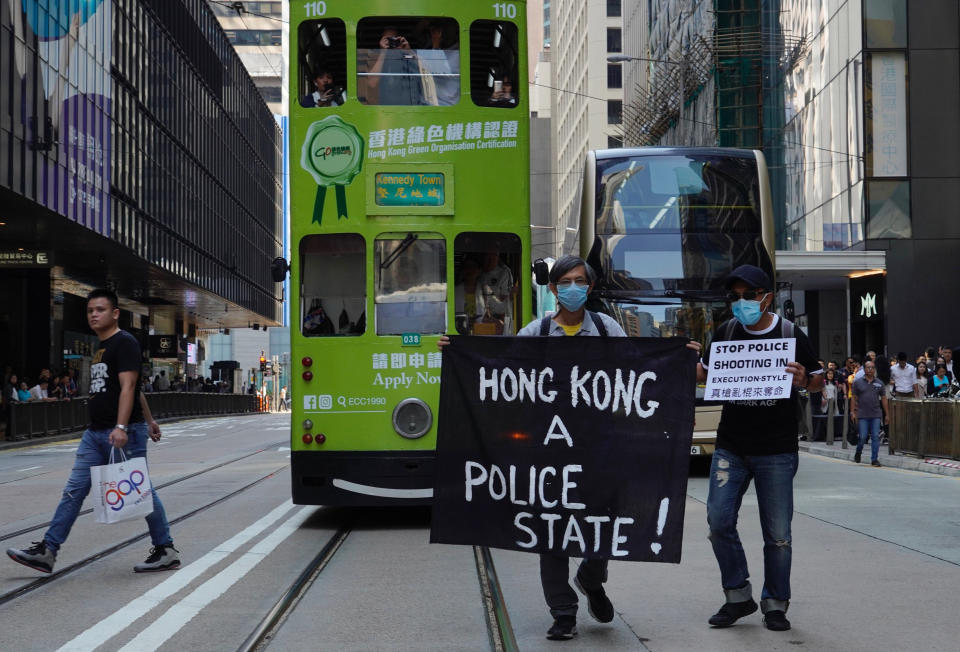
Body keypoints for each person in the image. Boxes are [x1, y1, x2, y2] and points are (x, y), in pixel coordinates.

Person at [439, 254, 700, 640]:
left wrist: (680, 359)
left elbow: (639, 370)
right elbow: (500, 369)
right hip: (549, 452)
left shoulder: (608, 329)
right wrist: (460, 353)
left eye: (580, 281)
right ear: (553, 289)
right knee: (551, 530)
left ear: (590, 287)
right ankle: (562, 611)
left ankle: (591, 580)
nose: (573, 288)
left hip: (601, 449)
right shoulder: (537, 332)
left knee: (602, 525)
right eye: (565, 282)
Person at [6, 288, 180, 574]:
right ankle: (48, 551)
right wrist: (150, 420)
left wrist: (124, 426)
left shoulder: (124, 343)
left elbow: (128, 387)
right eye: (90, 311)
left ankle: (166, 548)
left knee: (139, 490)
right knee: (74, 490)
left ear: (115, 313)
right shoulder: (101, 348)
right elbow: (134, 391)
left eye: (100, 310)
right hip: (96, 433)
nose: (94, 315)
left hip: (120, 433)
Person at [695, 264, 823, 633]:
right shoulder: (725, 332)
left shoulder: (789, 333)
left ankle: (775, 604)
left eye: (748, 295)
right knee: (718, 522)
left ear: (767, 297)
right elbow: (704, 373)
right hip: (731, 448)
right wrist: (684, 359)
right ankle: (738, 595)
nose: (741, 303)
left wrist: (803, 380)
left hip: (777, 451)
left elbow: (815, 379)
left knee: (778, 534)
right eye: (734, 297)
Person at [850, 360, 888, 466]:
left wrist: (887, 414)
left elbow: (884, 399)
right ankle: (858, 451)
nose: (870, 369)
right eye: (868, 367)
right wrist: (852, 411)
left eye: (872, 367)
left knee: (875, 436)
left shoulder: (879, 383)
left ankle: (874, 459)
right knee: (862, 436)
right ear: (864, 369)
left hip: (876, 414)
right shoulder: (857, 382)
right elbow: (853, 398)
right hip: (862, 414)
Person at [476, 250, 516, 334]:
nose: (491, 259)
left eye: (495, 255)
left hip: (497, 318)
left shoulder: (504, 272)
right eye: (488, 256)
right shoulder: (474, 270)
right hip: (477, 317)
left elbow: (503, 299)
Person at [454, 257, 482, 332]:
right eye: (467, 267)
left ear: (479, 271)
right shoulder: (455, 291)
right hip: (460, 330)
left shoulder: (485, 290)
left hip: (481, 330)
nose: (470, 270)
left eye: (473, 267)